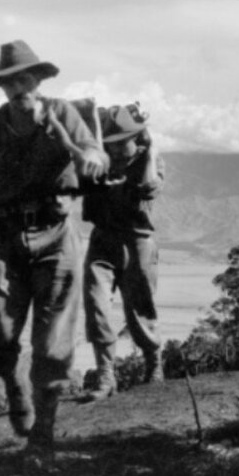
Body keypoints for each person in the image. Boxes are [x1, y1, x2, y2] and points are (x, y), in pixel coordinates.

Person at [0, 40, 108, 455]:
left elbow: (93, 151)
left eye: (24, 78)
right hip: (5, 239)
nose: (17, 87)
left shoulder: (63, 115)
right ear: (1, 87)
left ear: (38, 80)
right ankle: (12, 382)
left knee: (53, 342)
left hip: (57, 235)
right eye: (8, 82)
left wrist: (91, 158)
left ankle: (43, 438)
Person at [82, 103, 166, 400]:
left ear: (139, 137)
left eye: (122, 144)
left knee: (139, 309)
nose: (116, 151)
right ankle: (106, 378)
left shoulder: (151, 161)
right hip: (102, 241)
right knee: (96, 305)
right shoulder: (101, 161)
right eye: (111, 145)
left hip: (138, 242)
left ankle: (154, 365)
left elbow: (147, 187)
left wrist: (152, 148)